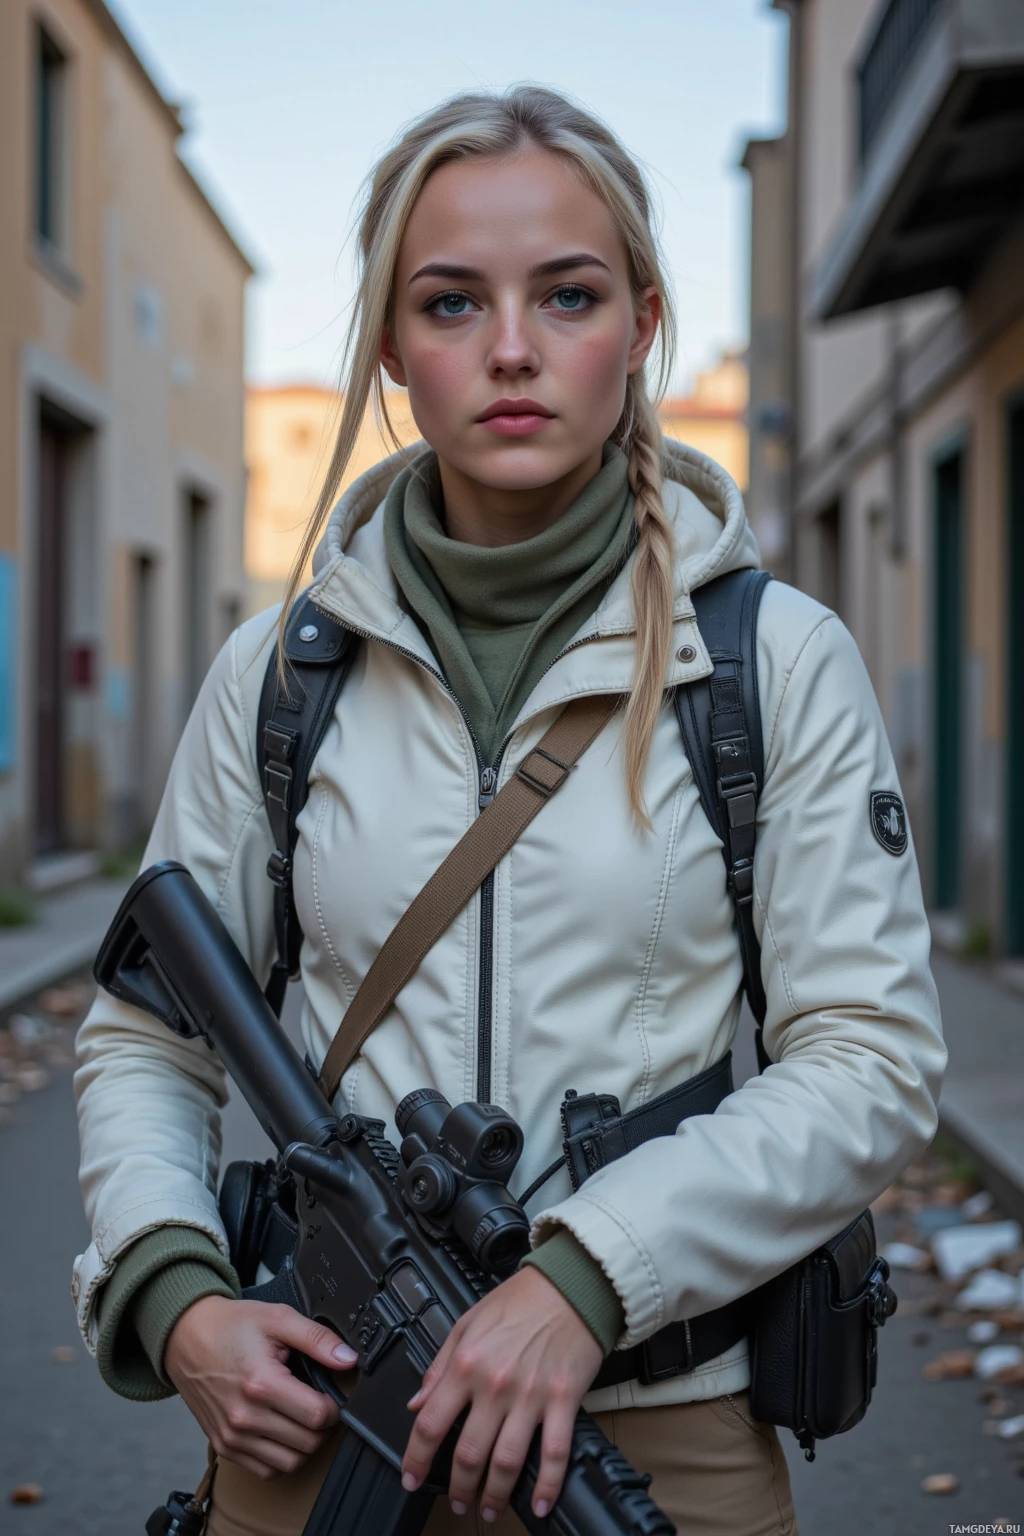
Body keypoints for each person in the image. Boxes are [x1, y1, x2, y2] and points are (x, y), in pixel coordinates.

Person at [73, 86, 946, 1536]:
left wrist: (585, 1277)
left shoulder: (769, 661)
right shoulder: (283, 676)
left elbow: (867, 1056)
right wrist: (175, 1298)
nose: (516, 349)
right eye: (452, 303)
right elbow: (149, 1032)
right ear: (393, 351)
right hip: (320, 1424)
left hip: (657, 1440)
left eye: (570, 293)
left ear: (643, 322)